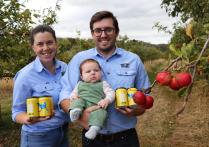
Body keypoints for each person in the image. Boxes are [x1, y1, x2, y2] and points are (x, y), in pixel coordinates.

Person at [59, 10, 151, 147]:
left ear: (116, 32)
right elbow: (64, 94)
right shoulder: (79, 59)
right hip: (92, 137)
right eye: (98, 31)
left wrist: (138, 109)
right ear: (92, 34)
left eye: (108, 29)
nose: (103, 35)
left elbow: (145, 97)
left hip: (125, 138)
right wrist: (79, 114)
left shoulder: (133, 60)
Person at [12, 25, 69, 147]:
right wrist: (29, 118)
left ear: (56, 44)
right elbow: (16, 112)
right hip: (38, 137)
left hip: (63, 132)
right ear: (33, 47)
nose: (46, 48)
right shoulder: (25, 75)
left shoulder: (65, 68)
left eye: (49, 43)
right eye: (40, 44)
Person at [69, 58, 115, 140]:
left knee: (101, 113)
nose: (93, 73)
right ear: (82, 76)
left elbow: (111, 93)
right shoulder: (79, 84)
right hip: (83, 105)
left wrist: (106, 100)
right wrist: (73, 97)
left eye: (96, 70)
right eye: (88, 71)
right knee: (77, 101)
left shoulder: (103, 84)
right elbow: (73, 94)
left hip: (97, 106)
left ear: (100, 72)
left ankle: (94, 129)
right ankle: (75, 112)